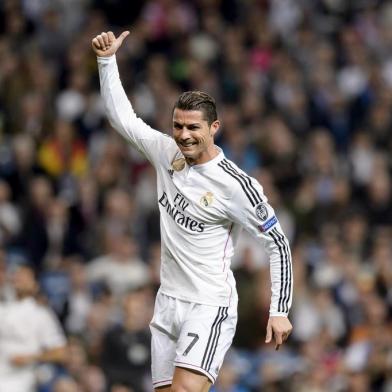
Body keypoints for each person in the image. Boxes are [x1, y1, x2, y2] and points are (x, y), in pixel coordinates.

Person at [92, 30, 293, 392]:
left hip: (209, 303)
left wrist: (279, 309)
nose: (184, 135)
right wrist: (107, 62)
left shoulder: (235, 185)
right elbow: (123, 119)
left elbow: (277, 243)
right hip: (167, 301)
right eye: (178, 126)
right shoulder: (165, 153)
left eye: (193, 128)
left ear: (214, 128)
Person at [0, 264, 67, 392]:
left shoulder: (41, 314)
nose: (19, 278)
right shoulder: (2, 308)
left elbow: (60, 352)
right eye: (17, 275)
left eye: (25, 276)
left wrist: (29, 358)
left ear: (35, 285)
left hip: (20, 378)